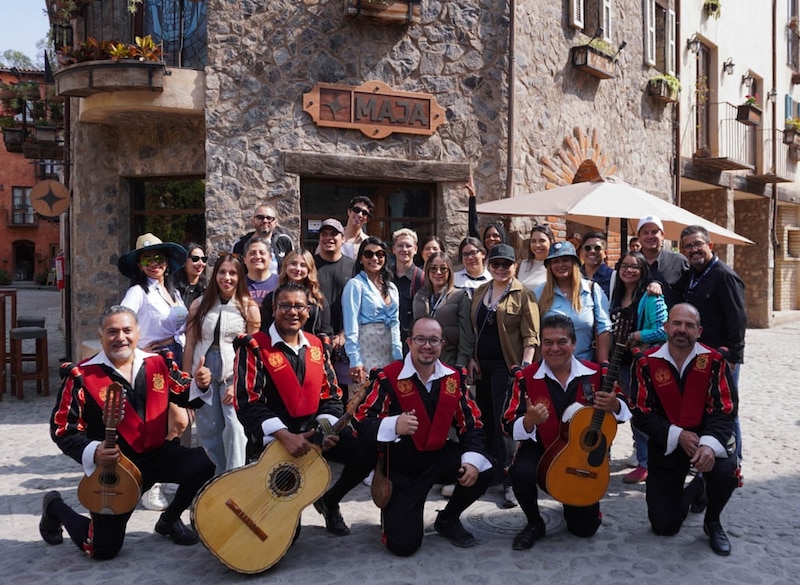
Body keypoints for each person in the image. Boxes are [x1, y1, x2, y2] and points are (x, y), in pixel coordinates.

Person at [40, 306, 214, 559]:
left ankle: (169, 519)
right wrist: (94, 451)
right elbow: (63, 429)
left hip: (157, 455)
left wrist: (199, 383)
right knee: (101, 549)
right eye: (112, 331)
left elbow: (184, 392)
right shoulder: (81, 376)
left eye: (126, 330)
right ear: (101, 336)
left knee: (205, 464)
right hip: (115, 469)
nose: (120, 337)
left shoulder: (159, 363)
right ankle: (55, 506)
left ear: (137, 333)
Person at [233, 282, 375, 536]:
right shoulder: (254, 345)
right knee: (287, 538)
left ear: (308, 311)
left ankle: (329, 502)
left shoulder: (317, 345)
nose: (292, 311)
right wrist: (285, 436)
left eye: (299, 306)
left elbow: (332, 395)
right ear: (274, 308)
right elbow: (247, 402)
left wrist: (324, 429)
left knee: (365, 451)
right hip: (274, 441)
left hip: (315, 432)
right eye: (285, 305)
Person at [354, 317, 494, 556]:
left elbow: (472, 424)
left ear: (442, 345)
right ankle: (393, 512)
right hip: (402, 468)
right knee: (403, 545)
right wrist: (392, 425)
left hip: (438, 457)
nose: (427, 346)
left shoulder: (454, 378)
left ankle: (448, 519)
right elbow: (360, 423)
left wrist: (470, 460)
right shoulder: (387, 378)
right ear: (409, 342)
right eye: (420, 339)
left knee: (484, 467)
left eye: (433, 340)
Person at [502, 314, 631, 550]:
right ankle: (534, 522)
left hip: (580, 456)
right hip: (541, 447)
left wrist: (614, 405)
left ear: (574, 344)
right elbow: (507, 423)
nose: (554, 348)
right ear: (541, 345)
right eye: (548, 342)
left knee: (584, 530)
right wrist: (529, 421)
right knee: (520, 471)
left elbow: (625, 406)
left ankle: (576, 504)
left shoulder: (597, 373)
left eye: (562, 342)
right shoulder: (525, 377)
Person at [629, 303, 739, 556]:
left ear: (699, 331)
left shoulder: (713, 361)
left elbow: (725, 409)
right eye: (676, 323)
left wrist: (708, 445)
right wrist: (678, 435)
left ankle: (712, 521)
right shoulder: (647, 362)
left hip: (705, 440)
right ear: (666, 327)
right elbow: (641, 412)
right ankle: (696, 488)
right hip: (667, 442)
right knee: (664, 526)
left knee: (725, 472)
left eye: (689, 325)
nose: (682, 329)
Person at [119, 233, 191, 510]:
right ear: (139, 264)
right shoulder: (137, 292)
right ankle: (151, 483)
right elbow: (123, 324)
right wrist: (144, 348)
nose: (154, 263)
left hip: (174, 358)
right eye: (147, 258)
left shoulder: (171, 291)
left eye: (158, 258)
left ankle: (163, 472)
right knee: (163, 423)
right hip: (152, 363)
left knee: (179, 423)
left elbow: (181, 326)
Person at [471, 243, 539, 507]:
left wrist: (523, 368)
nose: (500, 269)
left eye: (506, 264)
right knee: (486, 421)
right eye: (496, 264)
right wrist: (471, 358)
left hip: (507, 366)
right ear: (488, 265)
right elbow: (474, 330)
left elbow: (530, 335)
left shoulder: (525, 295)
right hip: (482, 367)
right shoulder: (480, 291)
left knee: (505, 423)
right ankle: (492, 473)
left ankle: (512, 481)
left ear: (515, 266)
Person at [183, 254, 260, 474]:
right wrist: (187, 380)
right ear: (215, 274)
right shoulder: (199, 305)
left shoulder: (249, 308)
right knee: (208, 430)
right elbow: (190, 344)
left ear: (240, 276)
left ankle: (234, 480)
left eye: (233, 273)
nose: (227, 277)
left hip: (232, 374)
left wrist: (238, 383)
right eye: (222, 272)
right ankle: (213, 480)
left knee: (235, 429)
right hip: (204, 373)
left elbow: (253, 350)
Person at [677, 225, 746, 463]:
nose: (694, 249)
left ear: (710, 245)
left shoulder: (724, 276)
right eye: (688, 246)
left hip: (721, 356)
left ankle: (732, 461)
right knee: (702, 407)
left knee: (726, 409)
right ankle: (705, 458)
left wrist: (732, 356)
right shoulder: (692, 274)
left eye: (698, 244)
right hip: (697, 355)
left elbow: (737, 319)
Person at [608, 251, 668, 484]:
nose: (629, 270)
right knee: (633, 412)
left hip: (643, 364)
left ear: (643, 271)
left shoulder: (651, 296)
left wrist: (636, 335)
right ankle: (643, 460)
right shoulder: (617, 295)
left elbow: (663, 331)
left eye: (635, 266)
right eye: (625, 266)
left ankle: (647, 463)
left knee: (643, 414)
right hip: (621, 364)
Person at [535, 241, 611, 363]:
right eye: (555, 261)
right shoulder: (539, 292)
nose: (560, 265)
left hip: (586, 365)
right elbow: (534, 332)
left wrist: (603, 363)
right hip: (550, 367)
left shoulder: (592, 290)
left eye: (565, 260)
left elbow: (603, 328)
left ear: (574, 263)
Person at [342, 237, 402, 385]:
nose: (374, 258)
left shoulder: (392, 288)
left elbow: (395, 323)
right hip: (366, 349)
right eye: (369, 254)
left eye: (379, 254)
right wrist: (355, 359)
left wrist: (398, 355)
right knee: (368, 397)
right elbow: (351, 325)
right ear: (361, 259)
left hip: (389, 350)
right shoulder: (355, 285)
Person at [413, 252, 476, 372]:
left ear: (450, 272)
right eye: (433, 269)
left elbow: (466, 335)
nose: (438, 272)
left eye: (443, 269)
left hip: (450, 361)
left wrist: (461, 364)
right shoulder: (419, 297)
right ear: (427, 271)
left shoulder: (460, 296)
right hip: (423, 362)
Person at [314, 218, 356, 392]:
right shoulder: (310, 265)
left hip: (343, 343)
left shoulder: (353, 266)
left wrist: (345, 334)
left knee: (344, 394)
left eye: (334, 234)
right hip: (314, 339)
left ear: (343, 238)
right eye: (324, 234)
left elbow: (358, 305)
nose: (329, 238)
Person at [261, 249, 333, 337]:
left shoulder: (318, 300)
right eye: (293, 263)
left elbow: (326, 331)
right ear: (286, 266)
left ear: (309, 270)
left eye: (303, 265)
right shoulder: (272, 298)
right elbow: (265, 329)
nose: (297, 269)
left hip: (310, 347)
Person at [636, 215, 688, 308]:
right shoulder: (630, 263)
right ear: (638, 236)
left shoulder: (678, 261)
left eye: (654, 232)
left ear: (663, 235)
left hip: (671, 320)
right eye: (645, 232)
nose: (650, 236)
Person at [232, 203, 293, 271]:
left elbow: (292, 267)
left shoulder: (284, 241)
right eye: (260, 217)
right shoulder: (240, 244)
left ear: (275, 222)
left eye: (269, 218)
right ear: (253, 221)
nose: (265, 221)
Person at [391, 228, 425, 345]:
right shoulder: (384, 276)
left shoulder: (422, 278)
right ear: (394, 249)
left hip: (411, 341)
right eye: (400, 245)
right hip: (387, 339)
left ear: (415, 249)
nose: (404, 249)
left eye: (408, 246)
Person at [517, 224, 554, 292]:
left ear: (551, 242)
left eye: (542, 240)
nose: (537, 245)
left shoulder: (556, 266)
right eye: (533, 241)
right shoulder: (521, 265)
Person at [243, 237, 279, 307]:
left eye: (262, 253)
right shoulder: (238, 283)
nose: (257, 256)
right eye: (252, 253)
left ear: (270, 258)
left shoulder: (281, 282)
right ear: (244, 259)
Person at [171, 242, 208, 307]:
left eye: (204, 259)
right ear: (184, 261)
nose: (201, 263)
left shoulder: (206, 289)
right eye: (195, 259)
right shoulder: (173, 288)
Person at [580, 231, 613, 299]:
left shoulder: (613, 277)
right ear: (581, 252)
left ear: (605, 253)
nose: (592, 251)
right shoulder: (574, 275)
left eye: (597, 248)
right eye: (587, 248)